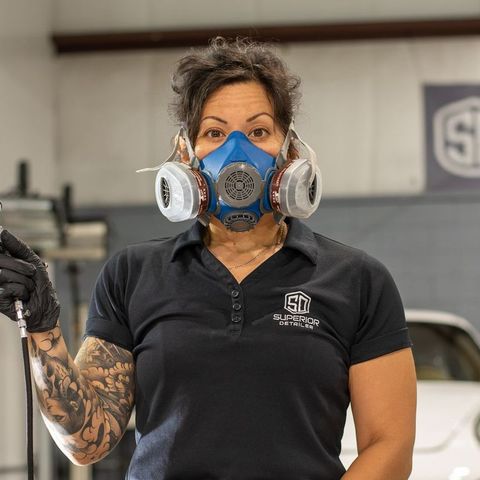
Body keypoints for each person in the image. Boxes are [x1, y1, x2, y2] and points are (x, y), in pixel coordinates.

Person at [0, 37, 416, 479]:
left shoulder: (356, 280)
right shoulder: (133, 275)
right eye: (214, 133)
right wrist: (44, 334)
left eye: (258, 132)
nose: (237, 155)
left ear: (290, 152)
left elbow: (389, 445)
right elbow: (87, 441)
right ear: (186, 155)